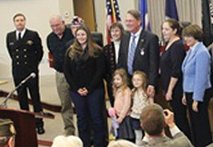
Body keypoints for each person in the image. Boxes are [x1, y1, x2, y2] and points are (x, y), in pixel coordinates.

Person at [64, 25, 107, 147]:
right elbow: (67, 72)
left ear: (88, 35)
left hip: (94, 89)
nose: (80, 37)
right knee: (82, 120)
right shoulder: (70, 51)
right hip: (76, 91)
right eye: (78, 35)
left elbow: (100, 71)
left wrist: (89, 88)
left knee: (96, 118)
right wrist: (78, 88)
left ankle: (100, 144)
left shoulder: (97, 50)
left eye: (83, 34)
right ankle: (85, 144)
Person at [6, 13, 44, 134]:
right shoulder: (10, 36)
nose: (19, 22)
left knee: (35, 98)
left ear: (25, 21)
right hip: (17, 72)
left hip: (31, 72)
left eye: (22, 20)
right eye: (17, 20)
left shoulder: (32, 35)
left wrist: (33, 65)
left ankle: (39, 124)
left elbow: (40, 52)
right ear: (14, 23)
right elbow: (11, 52)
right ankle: (27, 125)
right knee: (22, 99)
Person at [182, 24, 212, 147]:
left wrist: (196, 98)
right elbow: (186, 74)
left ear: (196, 37)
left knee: (201, 125)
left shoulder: (202, 52)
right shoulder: (191, 50)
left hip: (199, 93)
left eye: (189, 37)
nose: (186, 39)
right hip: (190, 92)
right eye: (185, 37)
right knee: (194, 124)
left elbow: (201, 77)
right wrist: (185, 94)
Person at [118, 9, 159, 99]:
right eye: (126, 21)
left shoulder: (150, 38)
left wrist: (152, 83)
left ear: (139, 21)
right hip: (128, 82)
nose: (128, 23)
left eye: (131, 21)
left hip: (144, 83)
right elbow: (121, 60)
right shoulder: (125, 37)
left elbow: (154, 63)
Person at [160, 19, 191, 139]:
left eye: (167, 29)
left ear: (175, 30)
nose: (164, 32)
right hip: (169, 88)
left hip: (176, 89)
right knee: (176, 119)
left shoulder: (177, 46)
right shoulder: (168, 45)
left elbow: (176, 70)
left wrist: (170, 90)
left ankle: (185, 142)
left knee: (180, 119)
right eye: (163, 29)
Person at [46, 15, 75, 135]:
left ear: (63, 23)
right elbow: (51, 53)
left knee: (81, 104)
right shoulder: (50, 38)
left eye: (57, 25)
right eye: (52, 26)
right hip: (61, 74)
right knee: (65, 104)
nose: (55, 28)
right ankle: (69, 130)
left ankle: (88, 132)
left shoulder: (72, 33)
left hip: (75, 74)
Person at [108, 68, 134, 141]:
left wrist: (121, 117)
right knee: (118, 137)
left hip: (124, 118)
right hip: (117, 117)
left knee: (125, 137)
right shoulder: (117, 90)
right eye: (114, 79)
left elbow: (127, 105)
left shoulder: (126, 91)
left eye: (118, 79)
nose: (116, 81)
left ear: (124, 79)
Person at [103, 22, 124, 106]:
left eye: (117, 31)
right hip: (112, 82)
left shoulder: (126, 45)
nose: (114, 33)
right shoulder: (106, 49)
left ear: (121, 32)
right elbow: (104, 67)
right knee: (114, 104)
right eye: (112, 31)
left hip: (125, 82)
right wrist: (111, 80)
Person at [130, 71, 152, 145]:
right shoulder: (132, 92)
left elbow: (151, 104)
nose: (136, 82)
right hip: (135, 116)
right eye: (134, 80)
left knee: (148, 135)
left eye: (138, 80)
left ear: (143, 81)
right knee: (138, 135)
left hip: (145, 116)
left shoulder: (147, 92)